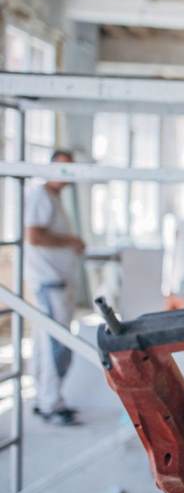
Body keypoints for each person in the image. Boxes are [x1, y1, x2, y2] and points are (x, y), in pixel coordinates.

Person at [25, 149, 85, 426]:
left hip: (55, 282)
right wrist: (71, 241)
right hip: (50, 283)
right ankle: (51, 403)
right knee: (55, 345)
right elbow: (34, 236)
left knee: (45, 344)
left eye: (69, 169)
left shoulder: (54, 198)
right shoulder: (40, 195)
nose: (65, 175)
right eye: (61, 168)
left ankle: (44, 400)